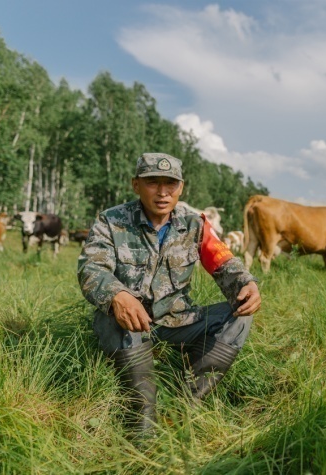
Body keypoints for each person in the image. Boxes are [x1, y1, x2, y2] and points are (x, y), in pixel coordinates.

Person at [77, 152, 261, 436]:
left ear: (181, 188)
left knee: (239, 314)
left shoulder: (194, 224)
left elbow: (224, 262)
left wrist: (246, 284)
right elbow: (91, 269)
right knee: (114, 317)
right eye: (153, 182)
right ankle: (143, 418)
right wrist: (117, 296)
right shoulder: (111, 221)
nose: (162, 192)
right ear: (136, 185)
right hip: (128, 322)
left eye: (170, 184)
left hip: (178, 321)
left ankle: (186, 403)